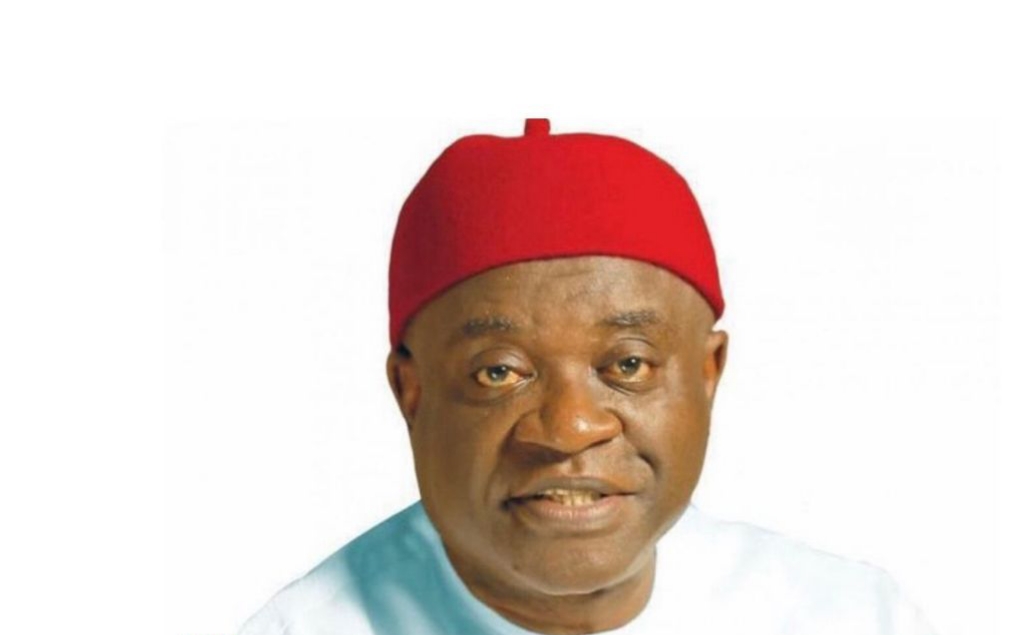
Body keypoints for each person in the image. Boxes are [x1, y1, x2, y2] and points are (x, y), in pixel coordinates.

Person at [238, 119, 937, 635]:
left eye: (628, 365)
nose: (571, 426)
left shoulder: (853, 618)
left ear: (708, 374)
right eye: (500, 372)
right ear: (410, 393)